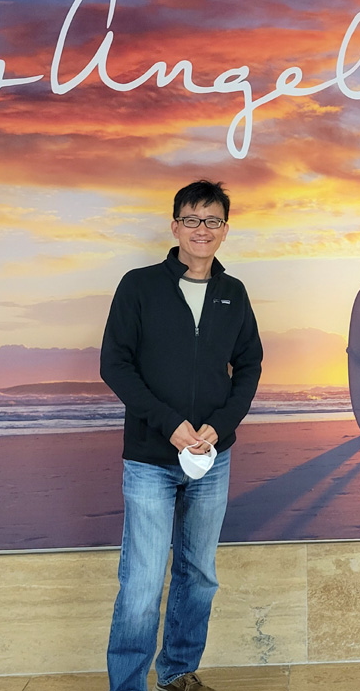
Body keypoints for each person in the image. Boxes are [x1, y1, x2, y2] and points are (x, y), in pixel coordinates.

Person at [101, 180, 263, 691]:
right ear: (175, 227)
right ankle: (128, 685)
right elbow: (115, 364)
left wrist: (223, 424)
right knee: (142, 582)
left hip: (212, 458)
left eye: (212, 220)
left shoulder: (233, 293)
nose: (202, 229)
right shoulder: (139, 286)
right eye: (192, 219)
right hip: (150, 457)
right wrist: (169, 425)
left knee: (199, 575)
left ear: (225, 229)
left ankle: (177, 675)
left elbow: (250, 365)